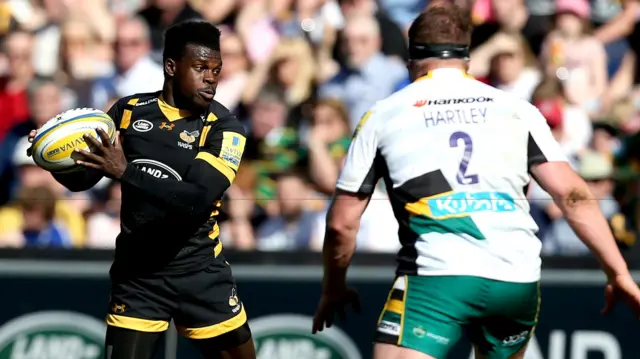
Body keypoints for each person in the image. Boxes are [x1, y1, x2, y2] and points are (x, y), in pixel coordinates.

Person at [311, 3, 640, 359]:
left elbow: (342, 223)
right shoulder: (517, 109)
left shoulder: (384, 114)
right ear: (467, 57)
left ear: (411, 57)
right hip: (516, 280)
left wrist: (333, 287)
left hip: (438, 277)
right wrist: (618, 272)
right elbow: (573, 195)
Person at [27, 20, 255, 359]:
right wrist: (53, 158)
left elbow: (196, 200)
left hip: (199, 272)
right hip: (139, 276)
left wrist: (126, 170)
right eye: (201, 67)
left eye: (217, 69)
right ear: (171, 67)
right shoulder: (128, 112)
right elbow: (84, 180)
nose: (211, 77)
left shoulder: (225, 128)